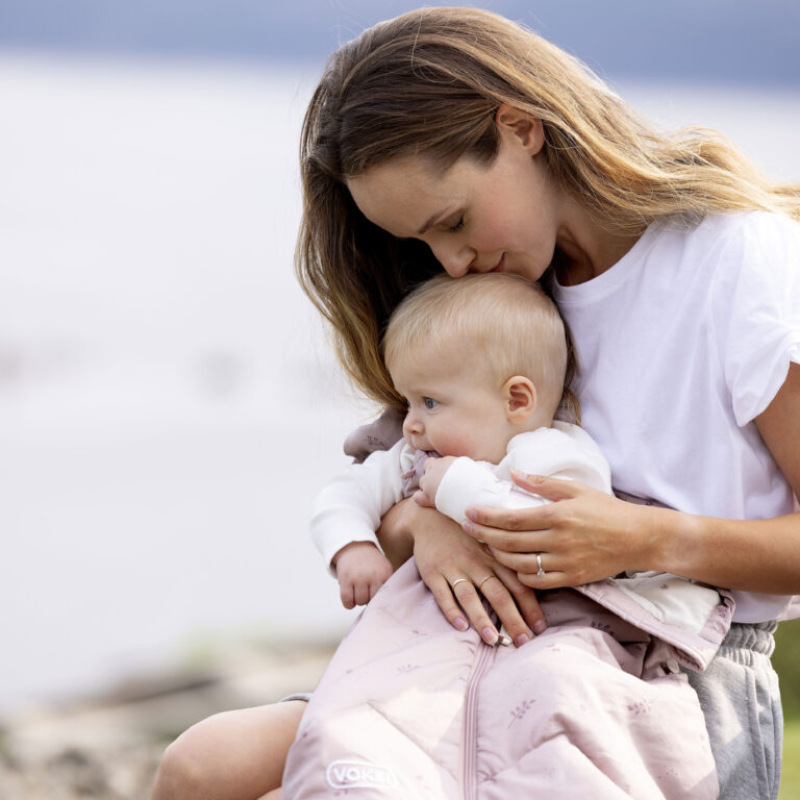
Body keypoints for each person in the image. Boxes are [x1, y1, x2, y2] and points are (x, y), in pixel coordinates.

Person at [151, 6, 800, 800]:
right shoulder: (500, 295)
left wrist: (649, 537)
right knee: (200, 769)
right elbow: (400, 490)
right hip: (457, 656)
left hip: (662, 670)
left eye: (452, 222)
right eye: (422, 243)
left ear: (521, 128)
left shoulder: (735, 261)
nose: (451, 262)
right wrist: (426, 526)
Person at [316, 272, 615, 624]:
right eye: (406, 401)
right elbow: (344, 493)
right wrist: (354, 547)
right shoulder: (415, 459)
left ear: (516, 400)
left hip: (549, 630)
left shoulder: (558, 457)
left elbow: (563, 534)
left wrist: (457, 487)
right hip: (431, 633)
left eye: (429, 402)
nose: (409, 423)